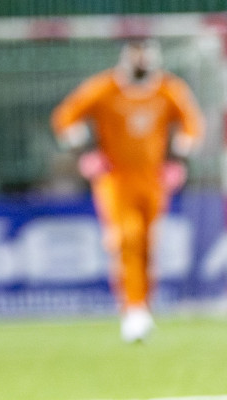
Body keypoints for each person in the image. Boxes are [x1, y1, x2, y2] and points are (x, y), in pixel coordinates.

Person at [51, 38, 204, 342]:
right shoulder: (104, 88)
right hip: (115, 178)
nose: (141, 60)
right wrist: (85, 152)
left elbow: (192, 124)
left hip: (153, 179)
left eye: (145, 53)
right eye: (135, 53)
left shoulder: (168, 89)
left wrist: (178, 159)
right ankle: (132, 308)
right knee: (126, 237)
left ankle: (144, 306)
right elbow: (65, 118)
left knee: (148, 241)